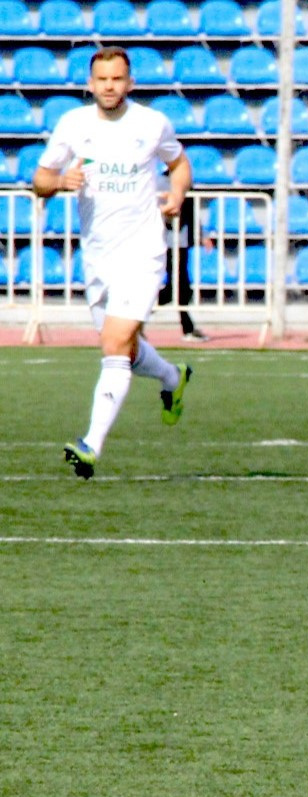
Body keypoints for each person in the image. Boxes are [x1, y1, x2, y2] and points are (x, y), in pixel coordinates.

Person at [34, 46, 194, 479]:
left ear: (130, 82)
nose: (109, 86)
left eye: (117, 79)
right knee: (123, 345)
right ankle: (173, 379)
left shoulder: (151, 123)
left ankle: (90, 445)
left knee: (115, 343)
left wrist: (177, 193)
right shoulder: (73, 124)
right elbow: (40, 179)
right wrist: (60, 180)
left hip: (143, 250)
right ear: (90, 84)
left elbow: (179, 164)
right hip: (97, 254)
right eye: (102, 79)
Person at [155, 188, 208, 342]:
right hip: (166, 242)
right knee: (178, 287)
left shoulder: (184, 185)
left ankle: (188, 328)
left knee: (179, 287)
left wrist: (201, 234)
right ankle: (187, 328)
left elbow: (191, 211)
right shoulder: (160, 184)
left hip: (181, 242)